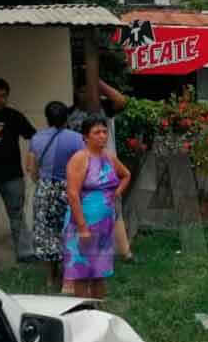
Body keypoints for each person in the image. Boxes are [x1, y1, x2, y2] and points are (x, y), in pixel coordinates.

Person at [61, 116, 132, 299]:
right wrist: (83, 227)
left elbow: (126, 175)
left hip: (105, 224)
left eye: (104, 132)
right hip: (83, 222)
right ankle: (84, 312)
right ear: (86, 137)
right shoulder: (80, 158)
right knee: (83, 273)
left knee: (100, 273)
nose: (102, 136)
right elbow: (73, 194)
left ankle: (100, 310)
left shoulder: (108, 157)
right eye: (96, 132)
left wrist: (116, 192)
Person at [68, 78, 135, 264]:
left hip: (105, 167)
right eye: (81, 90)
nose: (101, 135)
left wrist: (96, 82)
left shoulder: (102, 109)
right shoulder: (69, 113)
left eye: (103, 132)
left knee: (114, 212)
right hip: (82, 169)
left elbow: (121, 101)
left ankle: (123, 253)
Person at [27, 101, 85, 290]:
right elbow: (83, 166)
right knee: (70, 232)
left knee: (46, 233)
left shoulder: (36, 138)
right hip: (69, 189)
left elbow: (31, 167)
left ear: (47, 118)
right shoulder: (77, 139)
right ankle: (69, 279)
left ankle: (50, 278)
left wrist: (42, 182)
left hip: (45, 189)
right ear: (66, 117)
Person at [0, 78, 36, 261]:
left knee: (17, 216)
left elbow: (33, 137)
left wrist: (32, 160)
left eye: (3, 96)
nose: (0, 100)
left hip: (12, 176)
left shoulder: (14, 116)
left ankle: (25, 254)